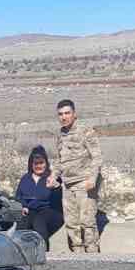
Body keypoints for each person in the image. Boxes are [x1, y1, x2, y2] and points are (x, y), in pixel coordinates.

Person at [51, 98, 101, 253]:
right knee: (71, 223)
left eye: (67, 113)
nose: (64, 117)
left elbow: (97, 157)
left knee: (87, 222)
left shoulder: (86, 131)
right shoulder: (60, 134)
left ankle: (92, 255)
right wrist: (53, 175)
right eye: (60, 114)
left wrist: (92, 178)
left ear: (74, 114)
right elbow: (59, 160)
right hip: (67, 184)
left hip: (84, 183)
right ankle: (77, 256)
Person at [15, 145, 63, 249]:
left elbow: (59, 199)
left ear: (46, 163)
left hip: (49, 210)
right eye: (35, 163)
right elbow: (18, 196)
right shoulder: (25, 178)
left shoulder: (52, 177)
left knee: (38, 221)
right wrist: (23, 206)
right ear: (31, 164)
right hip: (30, 209)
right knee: (21, 224)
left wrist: (57, 187)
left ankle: (44, 252)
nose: (39, 166)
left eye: (41, 163)